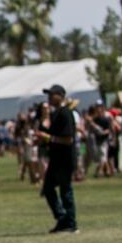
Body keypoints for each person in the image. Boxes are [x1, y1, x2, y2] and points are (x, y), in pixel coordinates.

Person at [37, 84, 79, 233]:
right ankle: (62, 219)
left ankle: (72, 223)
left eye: (52, 94)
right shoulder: (55, 114)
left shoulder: (66, 114)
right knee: (48, 189)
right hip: (55, 159)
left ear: (60, 96)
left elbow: (68, 139)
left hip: (65, 159)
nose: (49, 97)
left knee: (65, 191)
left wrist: (48, 138)